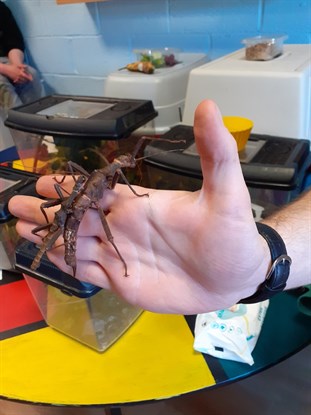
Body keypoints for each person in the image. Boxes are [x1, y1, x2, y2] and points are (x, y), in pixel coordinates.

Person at [8, 100, 311, 315]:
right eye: (125, 164)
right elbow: (108, 192)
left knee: (78, 226)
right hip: (73, 209)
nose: (127, 165)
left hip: (76, 210)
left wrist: (256, 270)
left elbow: (117, 183)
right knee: (86, 222)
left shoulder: (109, 179)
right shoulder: (104, 181)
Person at [0, 2, 43, 115]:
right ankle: (24, 131)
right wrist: (6, 69)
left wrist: (18, 67)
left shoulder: (1, 8)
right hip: (2, 67)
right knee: (1, 84)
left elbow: (14, 43)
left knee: (30, 75)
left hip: (4, 60)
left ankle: (39, 126)